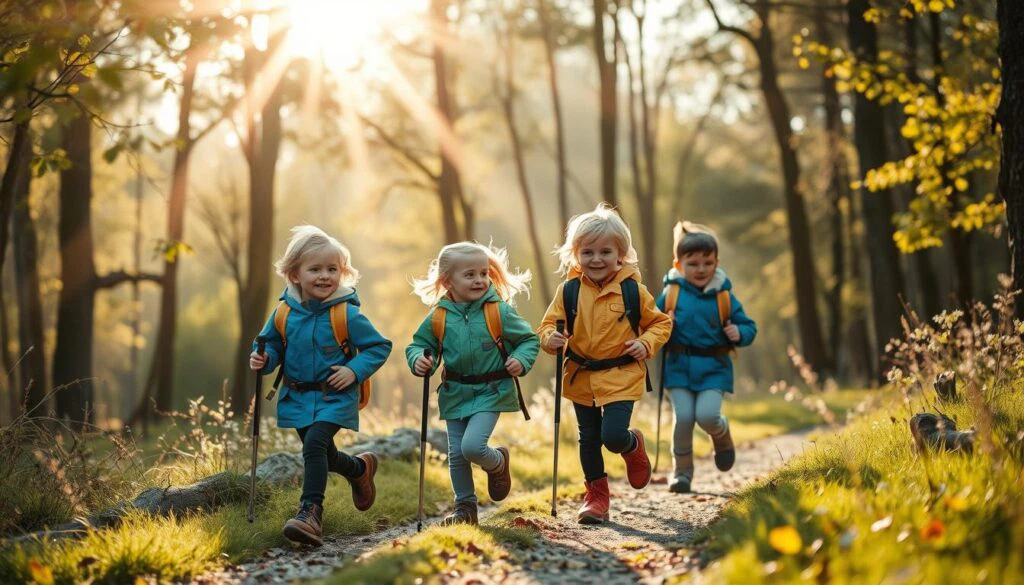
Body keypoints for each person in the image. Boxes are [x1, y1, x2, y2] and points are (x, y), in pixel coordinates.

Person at [250, 225, 392, 546]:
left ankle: (310, 513)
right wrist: (263, 359)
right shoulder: (283, 312)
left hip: (336, 396)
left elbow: (379, 346)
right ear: (295, 275)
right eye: (315, 269)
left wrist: (354, 370)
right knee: (323, 455)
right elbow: (269, 345)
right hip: (297, 396)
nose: (325, 276)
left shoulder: (347, 314)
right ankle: (359, 469)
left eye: (333, 269)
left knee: (314, 446)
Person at [538, 203, 672, 524]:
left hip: (621, 374)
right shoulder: (568, 291)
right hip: (580, 376)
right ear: (575, 255)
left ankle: (631, 444)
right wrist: (551, 340)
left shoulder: (633, 291)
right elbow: (547, 327)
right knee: (588, 437)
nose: (596, 259)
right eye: (588, 252)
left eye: (605, 252)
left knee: (611, 435)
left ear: (620, 255)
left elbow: (661, 323)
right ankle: (597, 498)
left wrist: (645, 343)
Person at [406, 242, 540, 525]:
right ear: (447, 281)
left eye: (484, 273)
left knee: (472, 447)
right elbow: (419, 344)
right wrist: (419, 359)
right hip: (455, 393)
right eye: (470, 275)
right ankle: (465, 508)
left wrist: (520, 359)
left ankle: (498, 463)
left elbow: (528, 339)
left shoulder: (498, 311)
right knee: (457, 454)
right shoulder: (439, 316)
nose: (480, 280)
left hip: (492, 391)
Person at [656, 221, 756, 494]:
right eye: (693, 263)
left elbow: (749, 326)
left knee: (708, 416)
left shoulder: (723, 295)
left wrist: (739, 332)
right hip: (678, 368)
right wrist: (663, 322)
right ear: (678, 265)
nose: (701, 269)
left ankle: (721, 435)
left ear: (716, 262)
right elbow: (648, 323)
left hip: (714, 367)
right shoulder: (670, 294)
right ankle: (682, 473)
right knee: (685, 417)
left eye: (707, 262)